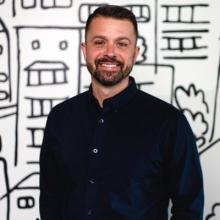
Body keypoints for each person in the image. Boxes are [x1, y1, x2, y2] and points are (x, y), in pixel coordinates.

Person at [39, 5, 204, 220]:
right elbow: (51, 199)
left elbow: (189, 208)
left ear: (135, 53)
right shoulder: (59, 118)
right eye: (99, 42)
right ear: (84, 50)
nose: (110, 52)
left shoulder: (170, 123)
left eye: (121, 44)